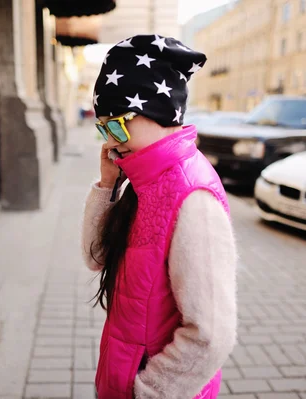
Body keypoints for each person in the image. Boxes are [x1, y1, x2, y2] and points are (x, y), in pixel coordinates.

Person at [81, 34, 238, 399]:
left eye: (116, 124)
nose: (109, 140)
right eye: (102, 128)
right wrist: (106, 186)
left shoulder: (192, 197)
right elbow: (95, 258)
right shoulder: (139, 180)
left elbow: (211, 334)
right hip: (120, 373)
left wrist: (148, 391)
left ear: (160, 112)